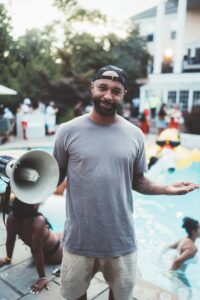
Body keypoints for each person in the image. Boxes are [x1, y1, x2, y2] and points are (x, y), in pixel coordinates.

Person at [53, 65, 199, 300]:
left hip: (120, 240)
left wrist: (166, 189)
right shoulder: (67, 131)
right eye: (102, 87)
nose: (108, 96)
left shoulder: (134, 135)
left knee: (120, 296)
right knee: (75, 296)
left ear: (123, 94)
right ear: (92, 87)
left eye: (115, 91)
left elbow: (139, 181)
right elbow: (55, 176)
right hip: (79, 239)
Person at [0, 197, 63, 294]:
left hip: (48, 250)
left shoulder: (12, 218)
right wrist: (42, 277)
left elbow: (10, 240)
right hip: (55, 254)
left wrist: (8, 258)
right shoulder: (38, 221)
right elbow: (38, 251)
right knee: (66, 235)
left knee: (60, 234)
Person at [163, 217, 200, 287]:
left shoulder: (183, 240)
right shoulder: (192, 248)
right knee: (189, 294)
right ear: (193, 231)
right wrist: (170, 275)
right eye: (199, 228)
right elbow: (176, 262)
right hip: (178, 275)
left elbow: (167, 248)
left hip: (175, 273)